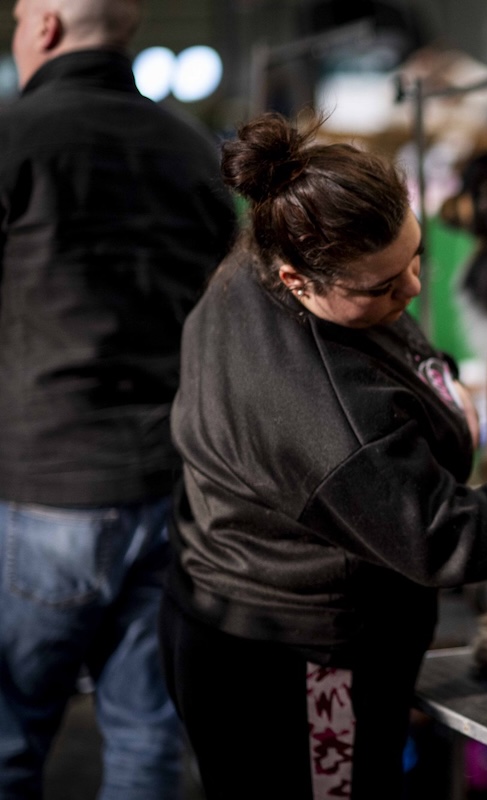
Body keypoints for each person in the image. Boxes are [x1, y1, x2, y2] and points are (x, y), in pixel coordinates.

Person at [159, 112, 487, 800]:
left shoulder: (262, 254)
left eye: (414, 257)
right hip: (295, 662)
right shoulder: (333, 423)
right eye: (380, 287)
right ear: (297, 279)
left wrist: (433, 392)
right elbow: (448, 537)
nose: (410, 289)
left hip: (251, 612)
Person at [0, 0, 237, 796]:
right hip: (173, 489)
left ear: (44, 27)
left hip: (42, 493)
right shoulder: (192, 150)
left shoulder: (12, 140)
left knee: (8, 741)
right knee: (146, 739)